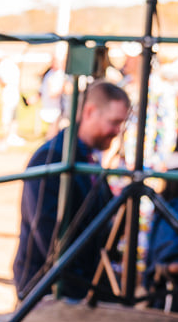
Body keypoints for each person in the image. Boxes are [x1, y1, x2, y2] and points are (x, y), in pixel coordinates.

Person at [13, 80, 131, 300]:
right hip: (49, 286)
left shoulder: (88, 155)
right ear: (89, 112)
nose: (117, 131)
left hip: (77, 281)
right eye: (113, 122)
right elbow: (47, 230)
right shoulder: (51, 159)